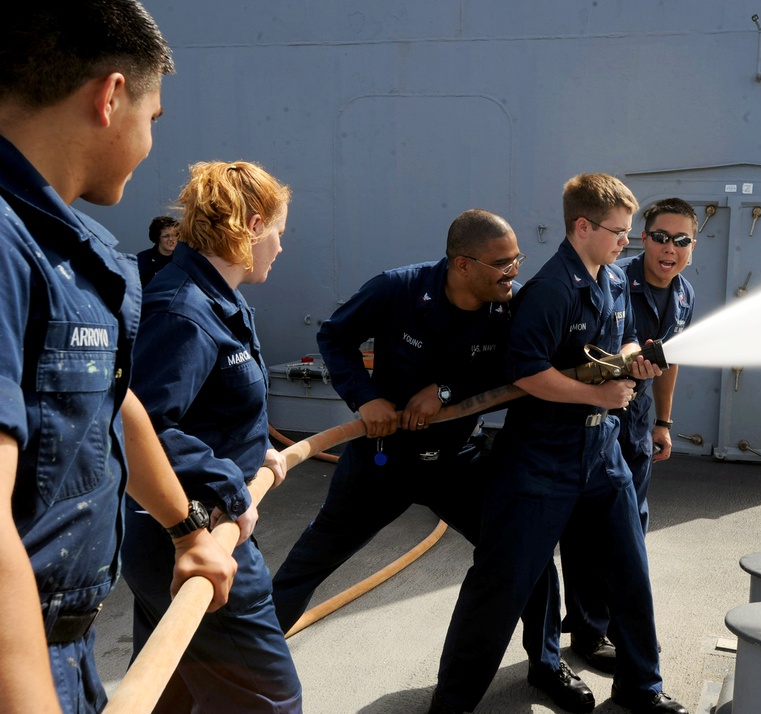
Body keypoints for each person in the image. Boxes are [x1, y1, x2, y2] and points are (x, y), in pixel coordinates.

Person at [0, 4, 236, 713]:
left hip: (62, 652)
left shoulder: (74, 253)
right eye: (153, 118)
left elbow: (110, 399)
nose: (148, 144)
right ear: (109, 97)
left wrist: (186, 529)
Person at [272, 209, 594, 712]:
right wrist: (365, 398)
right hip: (382, 460)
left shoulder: (508, 308)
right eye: (503, 263)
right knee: (307, 564)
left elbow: (510, 371)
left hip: (457, 461)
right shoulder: (396, 290)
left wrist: (444, 390)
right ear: (462, 265)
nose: (514, 272)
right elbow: (335, 337)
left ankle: (547, 663)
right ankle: (244, 665)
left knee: (524, 550)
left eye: (517, 260)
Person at [431, 174, 689, 714]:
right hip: (539, 464)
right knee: (501, 587)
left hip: (603, 458)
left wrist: (629, 359)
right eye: (618, 232)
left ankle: (642, 688)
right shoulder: (548, 291)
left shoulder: (614, 279)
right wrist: (595, 396)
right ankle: (453, 704)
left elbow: (615, 338)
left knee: (631, 575)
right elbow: (526, 373)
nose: (627, 242)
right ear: (582, 226)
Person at [122, 161, 301, 712]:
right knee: (269, 700)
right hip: (195, 534)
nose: (280, 247)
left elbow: (213, 404)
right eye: (279, 232)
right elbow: (140, 426)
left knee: (172, 694)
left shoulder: (220, 298)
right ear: (252, 225)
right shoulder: (184, 311)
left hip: (187, 534)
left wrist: (255, 451)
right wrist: (228, 485)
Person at [561, 198, 697, 673]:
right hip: (598, 424)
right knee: (588, 533)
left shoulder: (683, 296)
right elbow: (593, 354)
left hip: (637, 429)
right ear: (644, 238)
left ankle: (617, 624)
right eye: (661, 236)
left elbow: (670, 359)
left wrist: (664, 422)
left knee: (631, 531)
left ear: (692, 247)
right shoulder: (615, 280)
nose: (669, 248)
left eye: (681, 241)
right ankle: (587, 631)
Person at [137, 214, 180, 287]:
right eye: (166, 236)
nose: (171, 239)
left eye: (175, 235)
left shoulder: (183, 259)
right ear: (157, 238)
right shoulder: (143, 259)